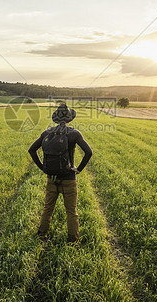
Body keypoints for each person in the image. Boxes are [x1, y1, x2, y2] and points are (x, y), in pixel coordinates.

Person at [28, 103, 93, 243]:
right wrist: (78, 169)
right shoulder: (74, 134)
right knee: (71, 211)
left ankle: (41, 235)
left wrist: (43, 167)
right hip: (69, 178)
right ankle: (73, 240)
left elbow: (31, 150)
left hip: (51, 178)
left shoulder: (47, 133)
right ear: (70, 118)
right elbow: (89, 152)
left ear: (56, 118)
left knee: (47, 208)